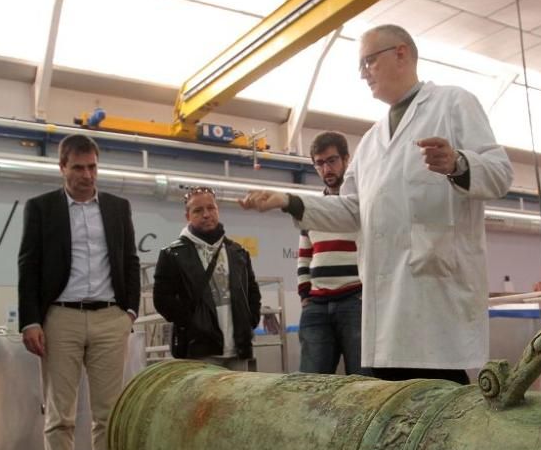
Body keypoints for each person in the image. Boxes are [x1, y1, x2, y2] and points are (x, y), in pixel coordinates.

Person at [241, 24, 513, 383]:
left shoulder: (453, 103)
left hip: (435, 299)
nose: (363, 73)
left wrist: (458, 163)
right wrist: (288, 201)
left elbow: (500, 174)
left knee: (440, 409)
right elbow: (351, 211)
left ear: (401, 53)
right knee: (394, 412)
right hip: (384, 312)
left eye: (368, 61)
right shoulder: (370, 143)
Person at [17, 134, 140, 450]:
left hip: (109, 318)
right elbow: (28, 265)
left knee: (109, 415)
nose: (87, 175)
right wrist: (31, 319)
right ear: (62, 168)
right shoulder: (42, 208)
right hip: (61, 318)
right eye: (78, 168)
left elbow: (130, 260)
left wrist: (130, 311)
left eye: (92, 167)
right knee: (60, 416)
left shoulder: (118, 208)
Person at [153, 187, 261, 371]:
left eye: (211, 208)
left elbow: (252, 292)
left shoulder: (238, 252)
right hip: (199, 351)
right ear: (187, 216)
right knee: (203, 401)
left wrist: (250, 321)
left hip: (238, 349)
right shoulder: (173, 255)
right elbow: (162, 300)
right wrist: (192, 323)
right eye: (198, 210)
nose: (206, 214)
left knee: (237, 400)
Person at [298, 131, 365, 375]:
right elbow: (305, 254)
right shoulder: (313, 210)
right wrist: (305, 294)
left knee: (363, 384)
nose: (326, 169)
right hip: (317, 304)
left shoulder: (363, 206)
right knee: (309, 384)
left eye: (332, 160)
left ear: (346, 159)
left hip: (356, 300)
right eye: (319, 163)